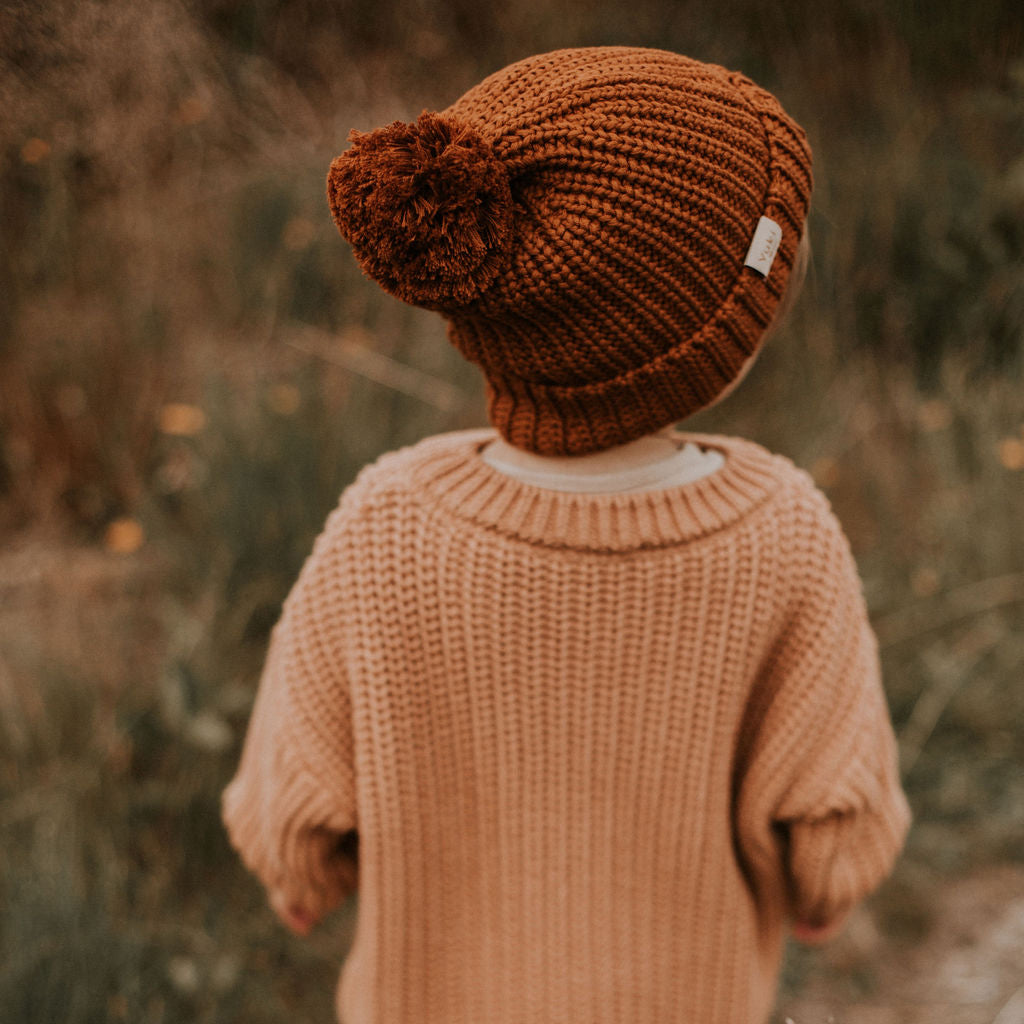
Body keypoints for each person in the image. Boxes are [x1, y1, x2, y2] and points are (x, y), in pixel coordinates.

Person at [222, 45, 911, 1024]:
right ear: (705, 341)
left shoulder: (385, 525)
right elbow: (835, 830)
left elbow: (293, 820)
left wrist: (304, 877)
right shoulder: (780, 531)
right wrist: (821, 894)